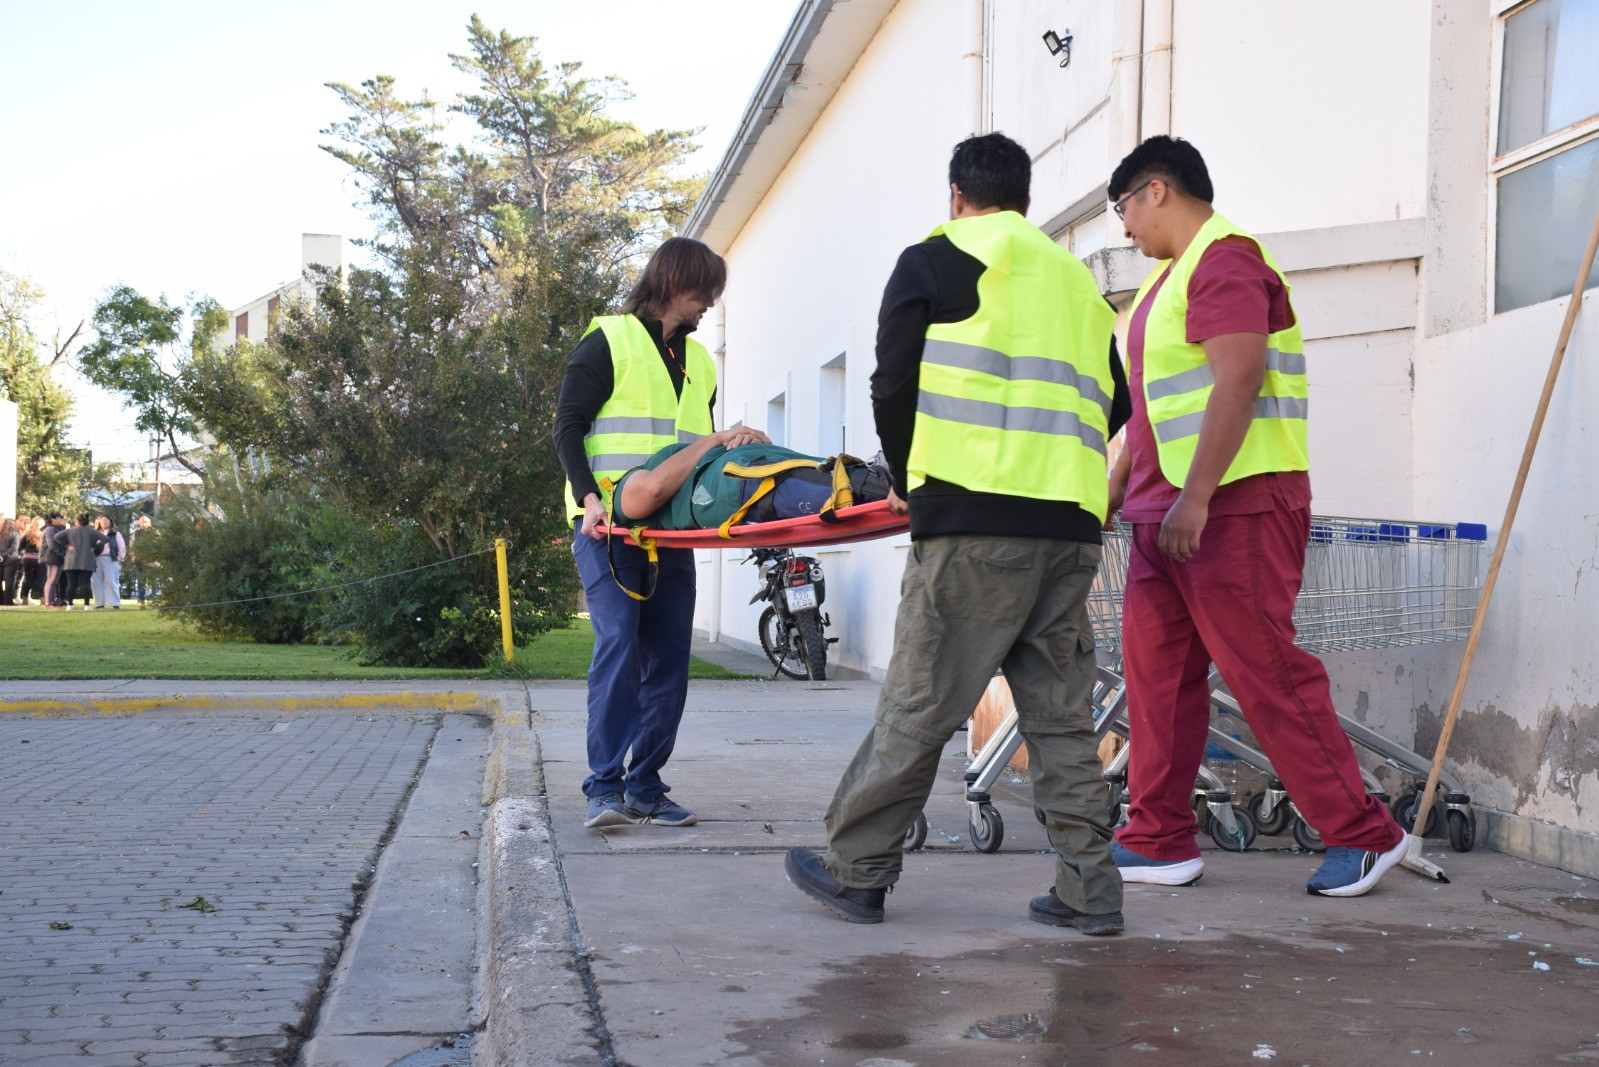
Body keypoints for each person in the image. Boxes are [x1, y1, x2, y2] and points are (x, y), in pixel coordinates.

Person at [785, 133, 1131, 932]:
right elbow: (1115, 401)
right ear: (1024, 199)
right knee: (1059, 717)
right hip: (1068, 528)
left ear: (956, 194)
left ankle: (856, 869)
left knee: (920, 701)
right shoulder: (1075, 285)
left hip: (971, 526)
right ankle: (1090, 891)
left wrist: (912, 479)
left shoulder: (934, 259)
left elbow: (891, 382)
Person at [1105, 135, 1406, 898]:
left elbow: (1238, 379)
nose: (1124, 228)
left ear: (1155, 190)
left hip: (1229, 506)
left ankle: (1363, 833)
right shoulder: (1165, 281)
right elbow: (1148, 411)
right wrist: (1111, 495)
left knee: (1265, 674)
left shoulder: (1225, 259)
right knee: (1156, 680)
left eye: (1122, 208)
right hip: (1161, 514)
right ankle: (1156, 838)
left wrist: (1196, 496)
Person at [553, 236, 727, 830]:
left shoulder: (701, 363)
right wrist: (588, 498)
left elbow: (700, 453)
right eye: (706, 290)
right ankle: (604, 787)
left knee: (670, 659)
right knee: (620, 644)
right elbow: (568, 425)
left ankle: (645, 787)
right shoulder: (610, 340)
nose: (710, 303)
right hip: (607, 527)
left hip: (671, 533)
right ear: (676, 282)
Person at [608, 437, 887, 533]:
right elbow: (652, 490)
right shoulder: (621, 494)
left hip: (741, 465)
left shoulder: (660, 464)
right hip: (730, 483)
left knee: (827, 469)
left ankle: (880, 475)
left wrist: (737, 438)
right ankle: (880, 484)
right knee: (834, 490)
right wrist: (717, 438)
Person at [57, 514, 105, 610]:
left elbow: (56, 537)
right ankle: (87, 605)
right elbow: (105, 539)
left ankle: (70, 605)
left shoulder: (70, 530)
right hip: (87, 559)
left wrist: (66, 546)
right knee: (86, 583)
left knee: (71, 584)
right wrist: (95, 547)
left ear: (77, 522)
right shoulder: (92, 531)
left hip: (71, 560)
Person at [92, 516, 126, 609]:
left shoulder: (115, 534)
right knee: (96, 582)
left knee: (111, 582)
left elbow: (122, 547)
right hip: (96, 559)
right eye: (102, 521)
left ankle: (115, 603)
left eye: (106, 520)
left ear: (110, 522)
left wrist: (119, 559)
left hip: (110, 559)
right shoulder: (95, 534)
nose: (104, 522)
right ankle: (99, 603)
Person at [39, 512, 68, 608]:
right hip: (52, 557)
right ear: (53, 519)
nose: (63, 519)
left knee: (54, 580)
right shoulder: (50, 529)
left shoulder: (56, 529)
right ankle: (49, 603)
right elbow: (52, 544)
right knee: (51, 580)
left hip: (56, 557)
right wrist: (64, 553)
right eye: (60, 518)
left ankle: (52, 601)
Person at [18, 518, 43, 606]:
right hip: (40, 558)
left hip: (28, 558)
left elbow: (20, 547)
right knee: (41, 579)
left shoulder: (28, 534)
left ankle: (25, 599)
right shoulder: (43, 534)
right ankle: (43, 599)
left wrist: (23, 555)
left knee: (28, 579)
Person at [0, 517, 19, 605]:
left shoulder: (1, 534)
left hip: (0, 559)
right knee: (9, 581)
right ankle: (8, 601)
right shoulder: (15, 534)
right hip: (11, 559)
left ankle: (1, 600)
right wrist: (5, 554)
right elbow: (14, 548)